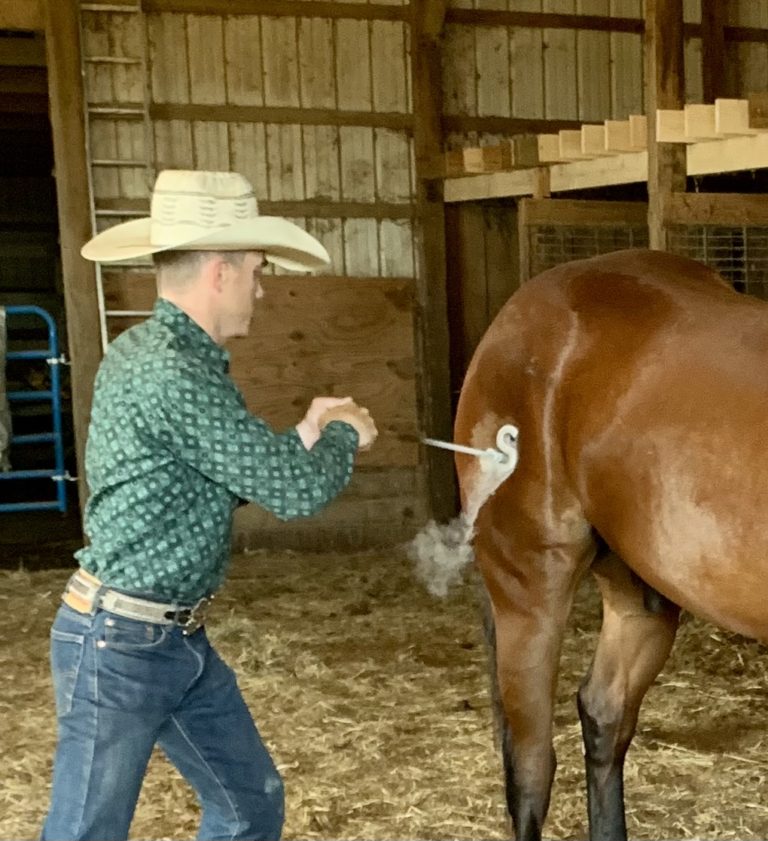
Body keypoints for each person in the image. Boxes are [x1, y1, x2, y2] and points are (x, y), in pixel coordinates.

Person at [41, 169, 378, 841]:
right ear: (221, 271)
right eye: (256, 271)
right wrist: (345, 432)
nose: (261, 288)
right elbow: (295, 491)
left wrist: (305, 433)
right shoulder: (175, 370)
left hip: (166, 636)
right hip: (122, 643)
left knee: (250, 806)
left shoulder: (152, 352)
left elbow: (214, 475)